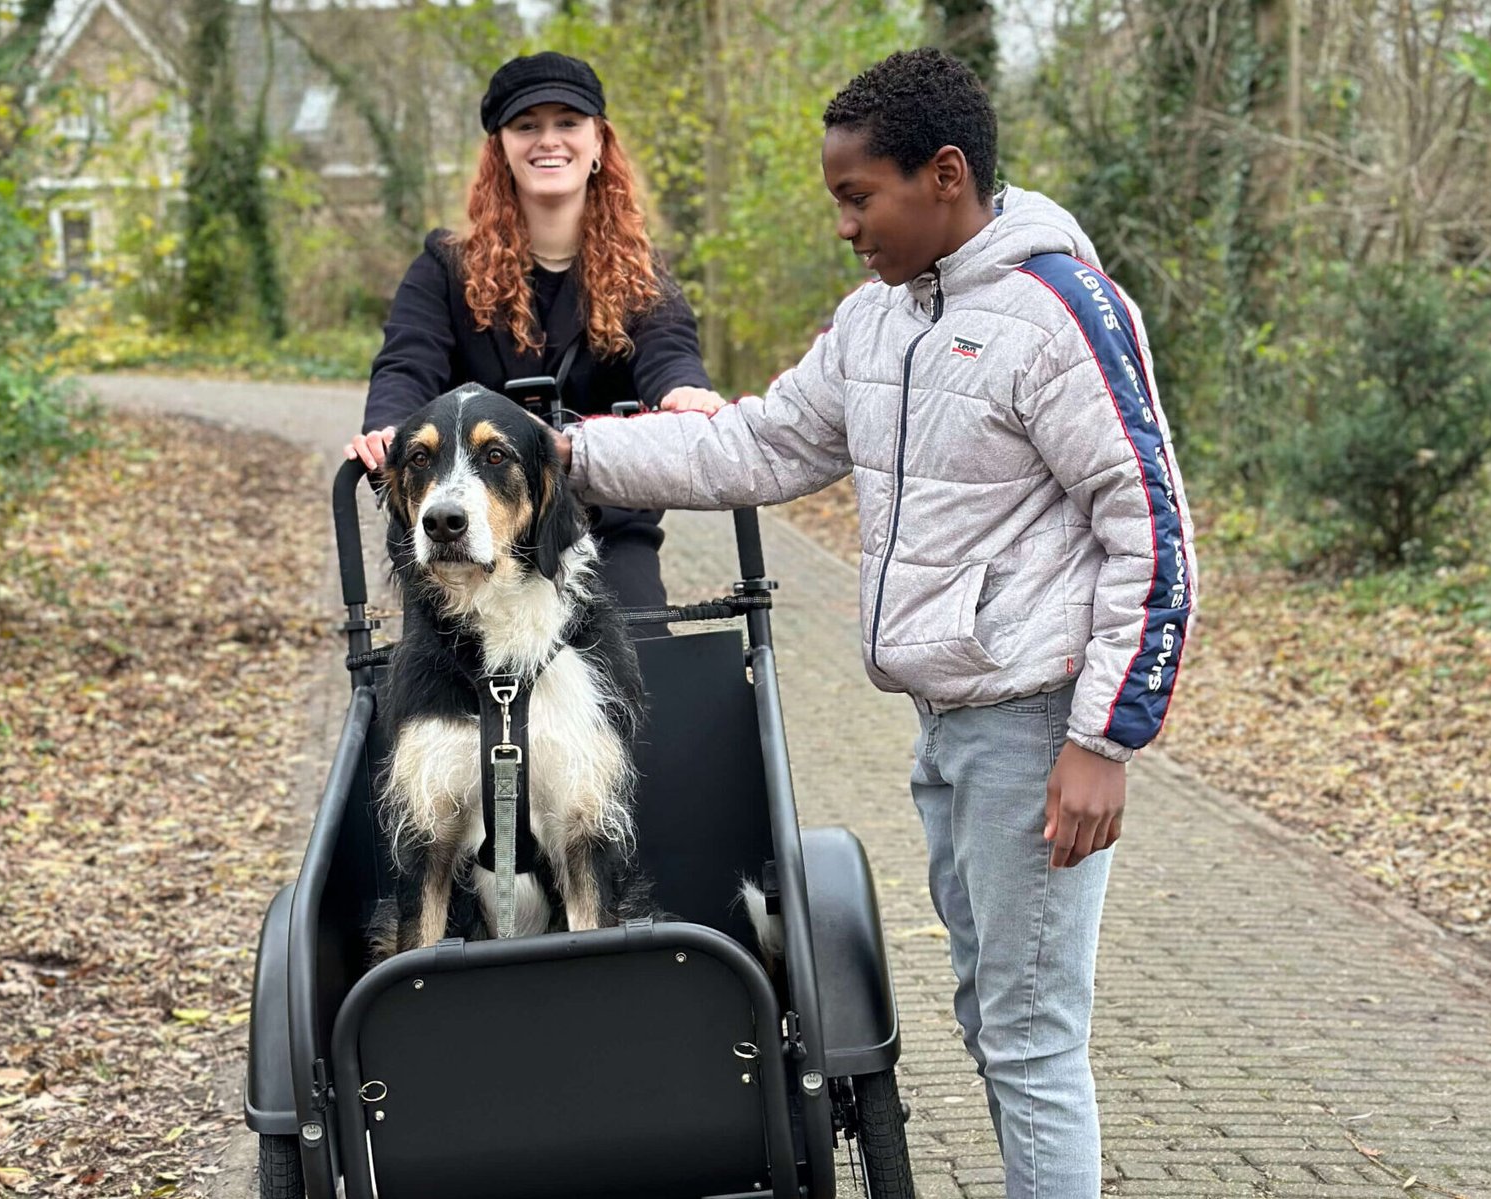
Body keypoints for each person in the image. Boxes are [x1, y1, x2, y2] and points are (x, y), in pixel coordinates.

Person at [552, 48, 1197, 1199]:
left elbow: (1152, 533)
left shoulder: (1059, 316)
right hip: (947, 725)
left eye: (860, 197)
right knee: (991, 1012)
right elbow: (752, 445)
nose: (846, 226)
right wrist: (565, 453)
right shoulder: (878, 321)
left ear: (943, 174)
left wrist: (1104, 743)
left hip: (1037, 726)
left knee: (1031, 1032)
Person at [347, 50, 726, 612]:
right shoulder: (444, 268)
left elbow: (669, 350)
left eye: (568, 123)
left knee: (646, 657)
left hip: (603, 524)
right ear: (501, 148)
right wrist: (386, 424)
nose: (549, 140)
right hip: (465, 522)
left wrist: (683, 391)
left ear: (599, 142)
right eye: (527, 126)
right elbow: (408, 362)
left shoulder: (642, 272)